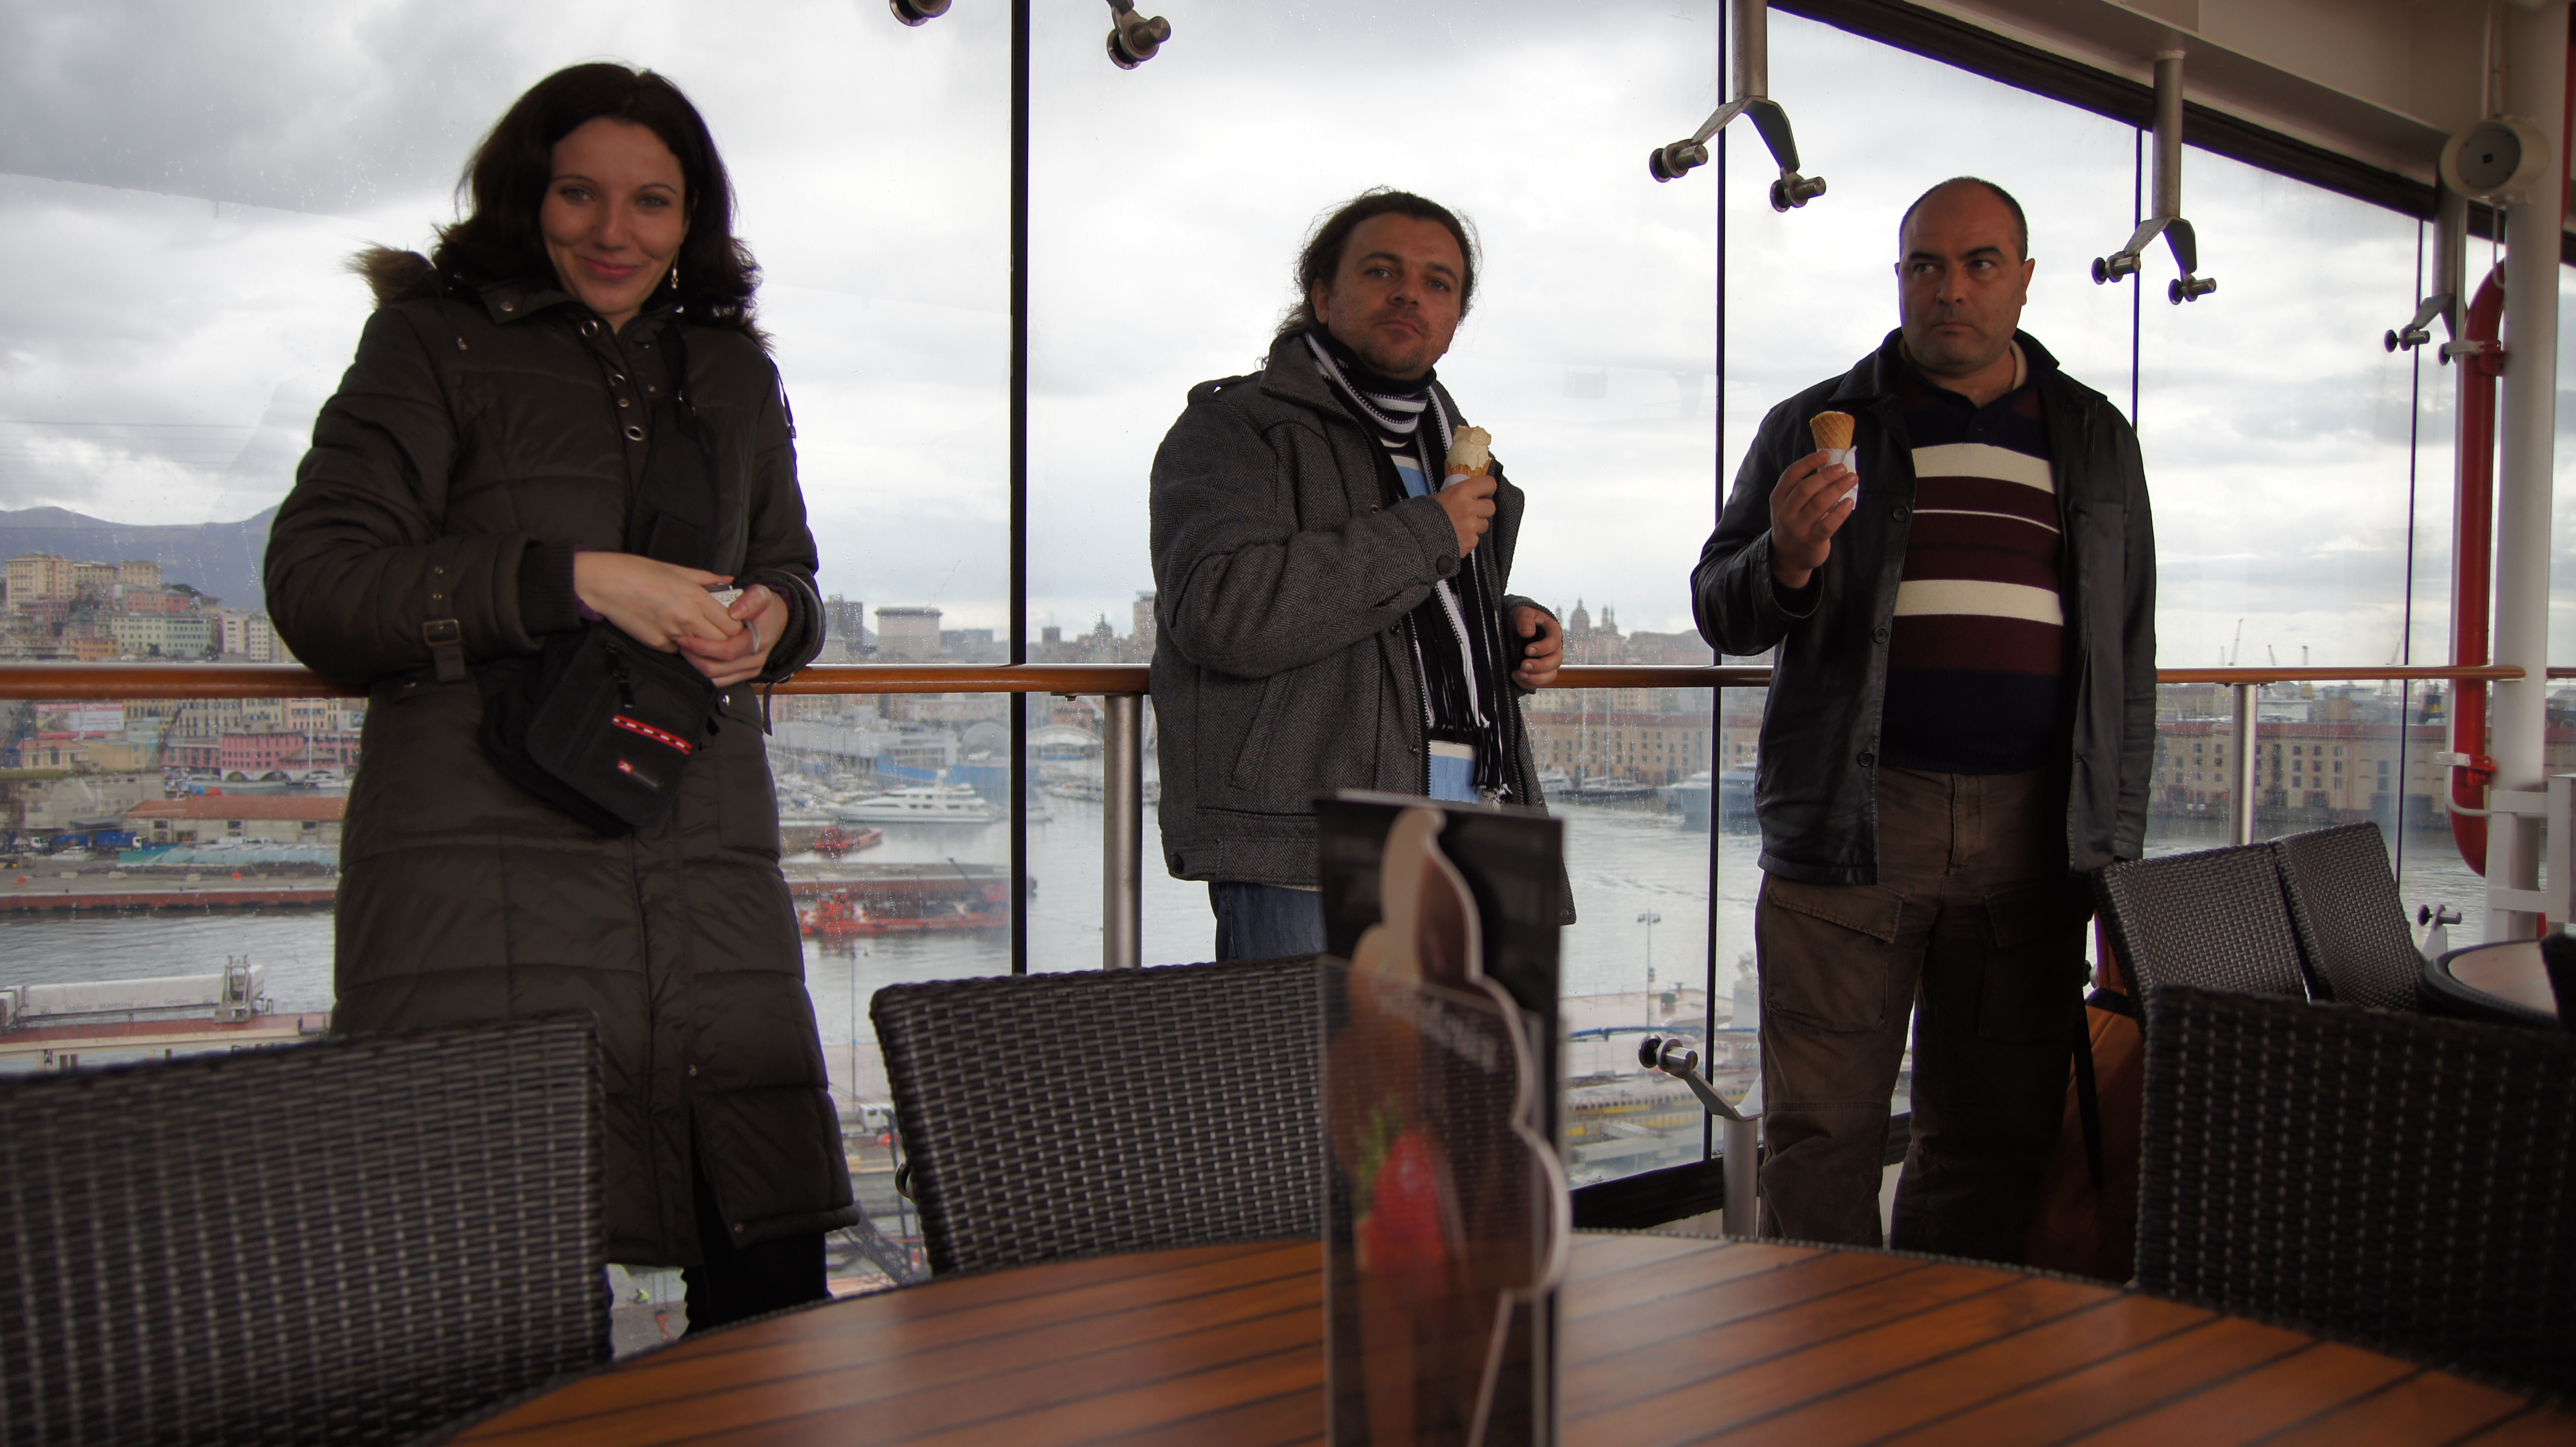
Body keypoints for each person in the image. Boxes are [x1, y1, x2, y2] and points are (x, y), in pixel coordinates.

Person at [266, 63, 854, 1330]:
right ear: (525, 197)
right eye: (579, 194)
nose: (613, 231)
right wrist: (576, 581)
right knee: (488, 1302)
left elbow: (791, 569)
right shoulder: (433, 343)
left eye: (652, 201)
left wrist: (776, 620)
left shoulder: (730, 375)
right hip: (476, 867)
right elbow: (321, 585)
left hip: (702, 857)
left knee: (768, 1285)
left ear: (692, 218)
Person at [1690, 177, 2155, 1262]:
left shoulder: (2094, 435)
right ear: (1899, 278)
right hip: (1849, 822)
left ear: (2023, 280)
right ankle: (1825, 1352)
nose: (1950, 289)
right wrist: (1786, 558)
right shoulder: (1810, 424)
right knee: (1819, 1137)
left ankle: (1945, 1344)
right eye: (1925, 265)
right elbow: (1721, 610)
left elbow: (2126, 655)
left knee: (1994, 1137)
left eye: (1979, 263)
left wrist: (2112, 858)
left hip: (2034, 834)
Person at [1149, 189, 1568, 962]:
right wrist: (1430, 531)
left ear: (1456, 318)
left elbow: (1403, 615)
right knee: (1309, 1049)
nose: (1411, 294)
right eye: (1381, 271)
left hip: (1484, 820)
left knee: (1470, 1049)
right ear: (1321, 295)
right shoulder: (1235, 428)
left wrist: (1504, 624)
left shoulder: (1461, 456)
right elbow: (1220, 611)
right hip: (1315, 832)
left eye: (1439, 282)